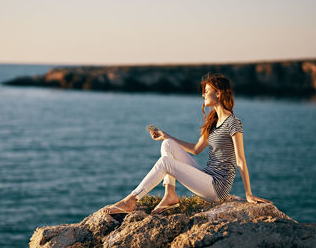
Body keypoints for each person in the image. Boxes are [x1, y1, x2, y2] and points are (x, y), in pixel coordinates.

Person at [104, 73, 272, 215]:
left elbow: (241, 160)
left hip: (217, 187)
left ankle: (131, 200)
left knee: (166, 163)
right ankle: (170, 194)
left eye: (206, 91)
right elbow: (196, 149)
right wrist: (166, 136)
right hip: (207, 176)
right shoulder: (213, 121)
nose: (203, 95)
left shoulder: (233, 123)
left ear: (218, 93)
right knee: (168, 145)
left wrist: (248, 194)